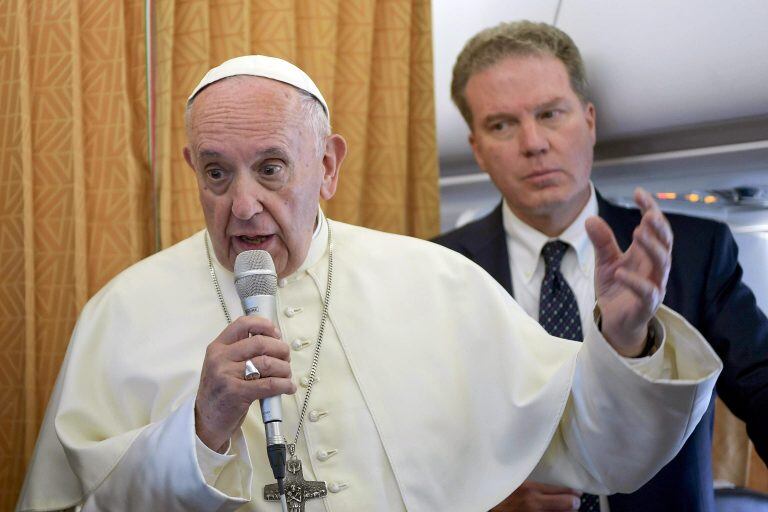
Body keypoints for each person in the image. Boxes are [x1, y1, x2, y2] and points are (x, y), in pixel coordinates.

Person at [16, 55, 722, 512]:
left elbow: (589, 445)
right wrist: (198, 432)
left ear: (327, 165)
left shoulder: (437, 281)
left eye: (271, 168)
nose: (243, 205)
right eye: (216, 172)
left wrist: (625, 343)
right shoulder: (122, 313)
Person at [433, 20, 768, 512]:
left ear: (588, 121)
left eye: (550, 114)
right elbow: (414, 443)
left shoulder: (693, 250)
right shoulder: (440, 270)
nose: (533, 143)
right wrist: (484, 501)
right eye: (501, 125)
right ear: (478, 150)